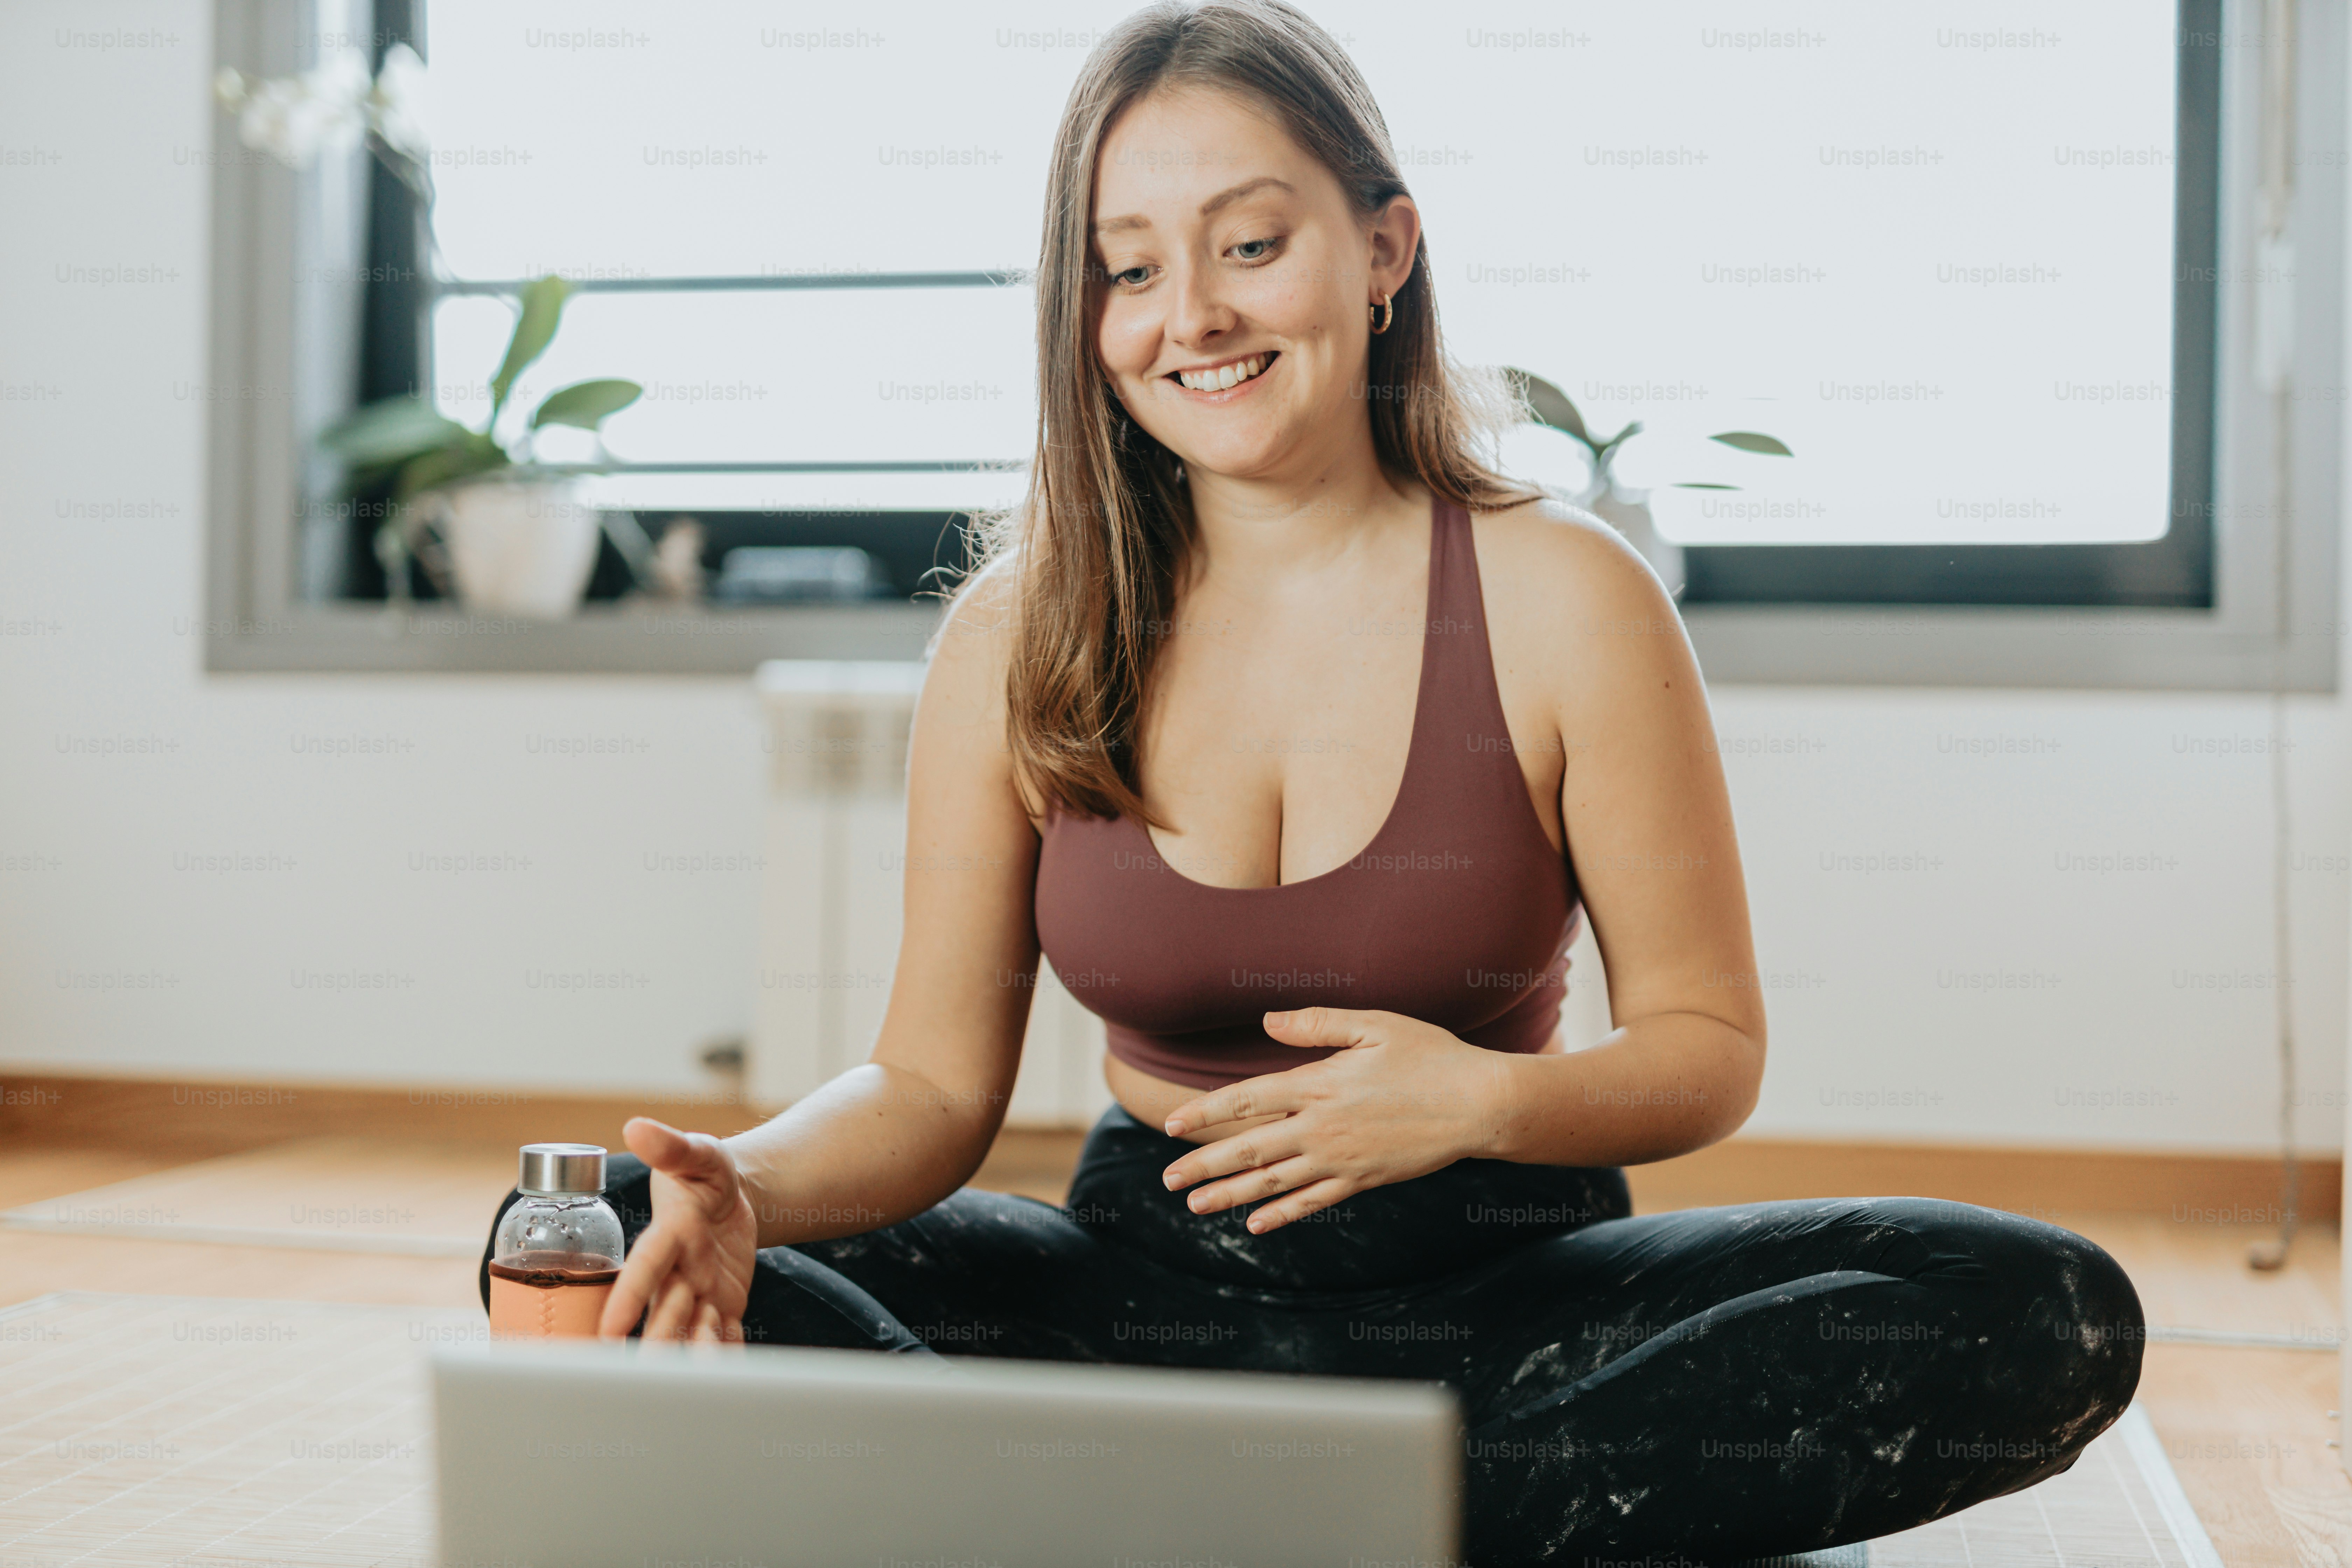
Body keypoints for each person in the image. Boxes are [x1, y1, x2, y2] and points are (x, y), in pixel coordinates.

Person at [482, 3, 2142, 1559]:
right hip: (1138, 1300)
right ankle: (1356, 1522)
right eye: (1127, 270)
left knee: (2041, 1303)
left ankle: (1184, 1522)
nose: (1189, 315)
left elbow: (1708, 1050)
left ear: (1384, 253)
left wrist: (1478, 1100)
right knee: (597, 1223)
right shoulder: (1016, 630)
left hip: (1514, 1302)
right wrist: (739, 1187)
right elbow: (928, 1087)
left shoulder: (1567, 592)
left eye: (1251, 245)